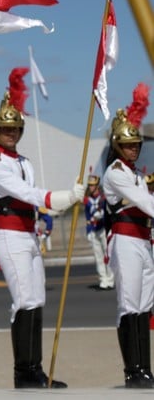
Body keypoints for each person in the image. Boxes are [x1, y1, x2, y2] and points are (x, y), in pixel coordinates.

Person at [0, 75, 84, 389]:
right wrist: (63, 198)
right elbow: (27, 193)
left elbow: (31, 193)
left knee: (37, 300)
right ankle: (23, 373)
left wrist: (45, 215)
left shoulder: (24, 160)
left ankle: (35, 370)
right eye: (4, 129)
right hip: (9, 236)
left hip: (27, 235)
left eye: (14, 129)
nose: (10, 133)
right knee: (25, 300)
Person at [102, 86, 154, 389]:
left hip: (143, 241)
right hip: (125, 242)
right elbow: (147, 204)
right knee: (129, 304)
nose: (133, 149)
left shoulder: (134, 173)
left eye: (136, 144)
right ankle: (132, 370)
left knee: (144, 304)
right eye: (128, 144)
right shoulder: (116, 173)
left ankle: (144, 369)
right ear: (117, 146)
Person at [84, 174, 115, 290]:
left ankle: (110, 280)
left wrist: (102, 216)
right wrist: (88, 231)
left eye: (93, 185)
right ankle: (103, 279)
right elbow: (87, 217)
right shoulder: (87, 200)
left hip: (103, 229)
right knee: (98, 257)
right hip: (93, 230)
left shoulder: (103, 198)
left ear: (97, 186)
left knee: (108, 256)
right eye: (89, 185)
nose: (91, 187)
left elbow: (108, 213)